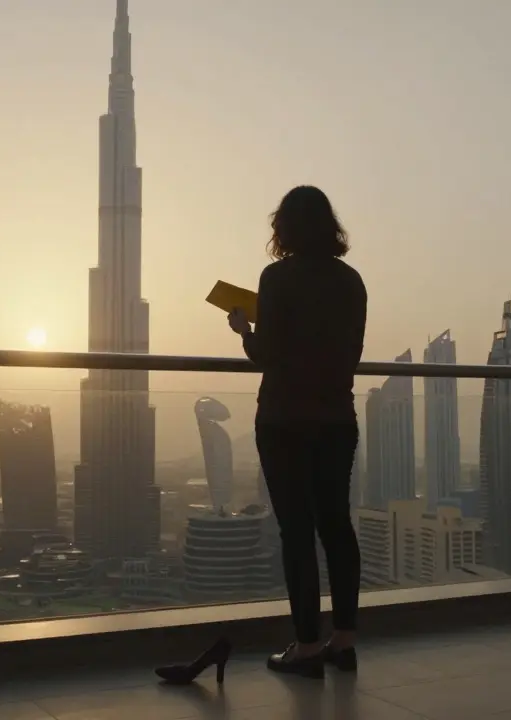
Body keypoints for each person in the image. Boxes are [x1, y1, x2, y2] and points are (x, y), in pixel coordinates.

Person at [227, 185, 367, 678]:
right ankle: (344, 642)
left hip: (285, 419)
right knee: (337, 526)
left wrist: (245, 330)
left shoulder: (277, 278)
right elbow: (347, 353)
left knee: (297, 533)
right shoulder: (352, 282)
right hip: (336, 419)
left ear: (282, 228)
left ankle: (306, 646)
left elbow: (267, 354)